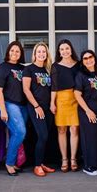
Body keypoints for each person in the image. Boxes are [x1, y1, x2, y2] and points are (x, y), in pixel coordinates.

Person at [22, 42, 56, 177]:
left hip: (48, 108)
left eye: (44, 51)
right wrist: (36, 106)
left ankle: (41, 163)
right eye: (39, 52)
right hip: (36, 107)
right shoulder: (28, 69)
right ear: (34, 54)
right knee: (42, 135)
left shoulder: (48, 70)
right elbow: (26, 89)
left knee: (46, 137)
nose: (41, 54)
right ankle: (36, 166)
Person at [0, 41, 27, 176]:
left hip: (23, 106)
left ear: (21, 54)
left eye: (17, 51)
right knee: (20, 132)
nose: (14, 53)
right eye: (12, 50)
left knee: (16, 134)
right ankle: (9, 163)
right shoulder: (2, 68)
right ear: (8, 52)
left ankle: (14, 161)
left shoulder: (23, 68)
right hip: (8, 104)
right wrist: (2, 109)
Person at [74, 50, 97, 176]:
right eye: (85, 58)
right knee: (90, 138)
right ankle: (88, 166)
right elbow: (77, 94)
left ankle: (95, 164)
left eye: (90, 57)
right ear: (82, 62)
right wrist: (88, 111)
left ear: (94, 58)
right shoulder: (81, 75)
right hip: (88, 110)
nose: (88, 60)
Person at [50, 39, 80, 172]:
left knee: (74, 129)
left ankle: (73, 159)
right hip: (61, 100)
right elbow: (54, 87)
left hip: (76, 99)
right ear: (59, 52)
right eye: (62, 49)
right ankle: (64, 159)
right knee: (61, 130)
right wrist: (52, 102)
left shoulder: (78, 65)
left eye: (67, 48)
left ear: (71, 49)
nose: (65, 51)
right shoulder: (55, 66)